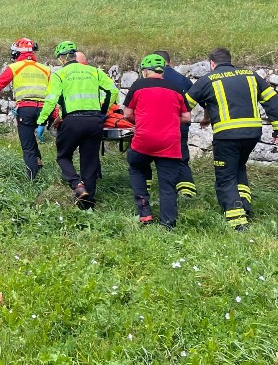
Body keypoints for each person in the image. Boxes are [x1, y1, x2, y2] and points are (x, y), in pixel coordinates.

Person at [185, 47, 278, 231]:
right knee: (238, 167)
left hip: (227, 136)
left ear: (212, 63)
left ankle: (237, 221)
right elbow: (273, 102)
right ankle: (244, 206)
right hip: (252, 134)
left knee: (225, 176)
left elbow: (184, 105)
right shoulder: (251, 76)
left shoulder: (207, 80)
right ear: (229, 61)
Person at [37, 41, 119, 208]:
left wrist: (41, 122)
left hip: (72, 121)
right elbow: (113, 91)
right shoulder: (94, 71)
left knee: (63, 156)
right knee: (89, 162)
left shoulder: (59, 75)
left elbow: (51, 99)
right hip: (95, 121)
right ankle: (87, 205)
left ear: (62, 58)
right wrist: (103, 111)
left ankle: (77, 185)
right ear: (75, 55)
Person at [122, 54, 191, 228]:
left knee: (136, 168)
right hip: (169, 142)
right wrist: (170, 119)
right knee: (167, 185)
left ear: (145, 70)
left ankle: (145, 213)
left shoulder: (138, 85)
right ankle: (168, 223)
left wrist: (142, 121)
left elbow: (127, 114)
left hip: (144, 140)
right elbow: (187, 117)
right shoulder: (176, 88)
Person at [0, 38, 51, 179]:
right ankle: (38, 161)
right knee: (32, 138)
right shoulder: (45, 69)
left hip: (26, 109)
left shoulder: (15, 68)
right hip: (45, 109)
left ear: (17, 54)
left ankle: (32, 180)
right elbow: (54, 93)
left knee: (27, 146)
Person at [152, 49, 197, 199]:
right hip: (180, 126)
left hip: (156, 127)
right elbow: (193, 101)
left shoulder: (152, 79)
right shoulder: (183, 80)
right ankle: (187, 192)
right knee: (181, 158)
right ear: (170, 62)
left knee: (148, 158)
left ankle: (147, 189)